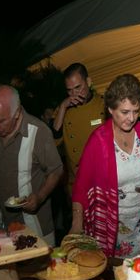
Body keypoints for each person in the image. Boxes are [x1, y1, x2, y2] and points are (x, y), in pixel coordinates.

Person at [70, 74, 140, 258]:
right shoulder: (98, 140)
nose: (131, 118)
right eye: (125, 112)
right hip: (110, 226)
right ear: (111, 109)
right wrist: (76, 224)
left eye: (136, 111)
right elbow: (80, 186)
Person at [0, 85, 63, 245]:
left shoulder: (39, 132)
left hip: (35, 228)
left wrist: (40, 196)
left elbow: (56, 171)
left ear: (17, 113)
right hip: (2, 226)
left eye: (1, 121)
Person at [53, 63, 106, 192]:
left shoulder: (104, 104)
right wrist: (63, 107)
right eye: (69, 90)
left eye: (78, 87)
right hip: (77, 183)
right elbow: (54, 139)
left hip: (104, 179)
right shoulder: (63, 110)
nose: (74, 94)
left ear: (88, 81)